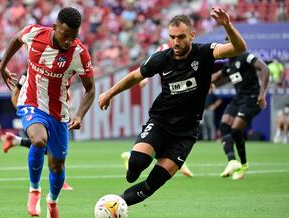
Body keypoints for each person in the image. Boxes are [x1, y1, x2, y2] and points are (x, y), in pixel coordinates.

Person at [98, 8, 246, 207]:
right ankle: (131, 168)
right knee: (136, 166)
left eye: (181, 37)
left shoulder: (204, 52)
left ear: (192, 35)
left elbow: (238, 48)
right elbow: (135, 76)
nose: (176, 42)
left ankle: (116, 206)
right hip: (160, 122)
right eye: (172, 37)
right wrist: (108, 94)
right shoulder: (162, 58)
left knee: (152, 184)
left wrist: (227, 25)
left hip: (185, 134)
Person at [0, 7, 95, 218]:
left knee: (57, 165)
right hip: (31, 101)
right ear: (54, 28)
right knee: (38, 139)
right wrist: (3, 66)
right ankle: (34, 189)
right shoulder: (35, 34)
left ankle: (52, 202)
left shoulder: (79, 53)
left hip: (59, 112)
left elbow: (90, 89)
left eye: (73, 36)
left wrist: (79, 114)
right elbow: (16, 38)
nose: (69, 41)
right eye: (65, 35)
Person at [2, 74, 73, 190]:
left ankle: (16, 141)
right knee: (46, 144)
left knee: (50, 147)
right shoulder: (29, 72)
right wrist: (25, 113)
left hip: (53, 114)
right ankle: (57, 179)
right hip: (36, 114)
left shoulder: (57, 71)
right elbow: (15, 94)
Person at [212, 42, 269, 180]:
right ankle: (232, 161)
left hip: (252, 98)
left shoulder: (245, 56)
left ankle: (243, 164)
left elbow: (264, 68)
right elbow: (217, 76)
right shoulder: (228, 65)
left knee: (236, 129)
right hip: (238, 98)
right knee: (224, 126)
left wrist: (262, 94)